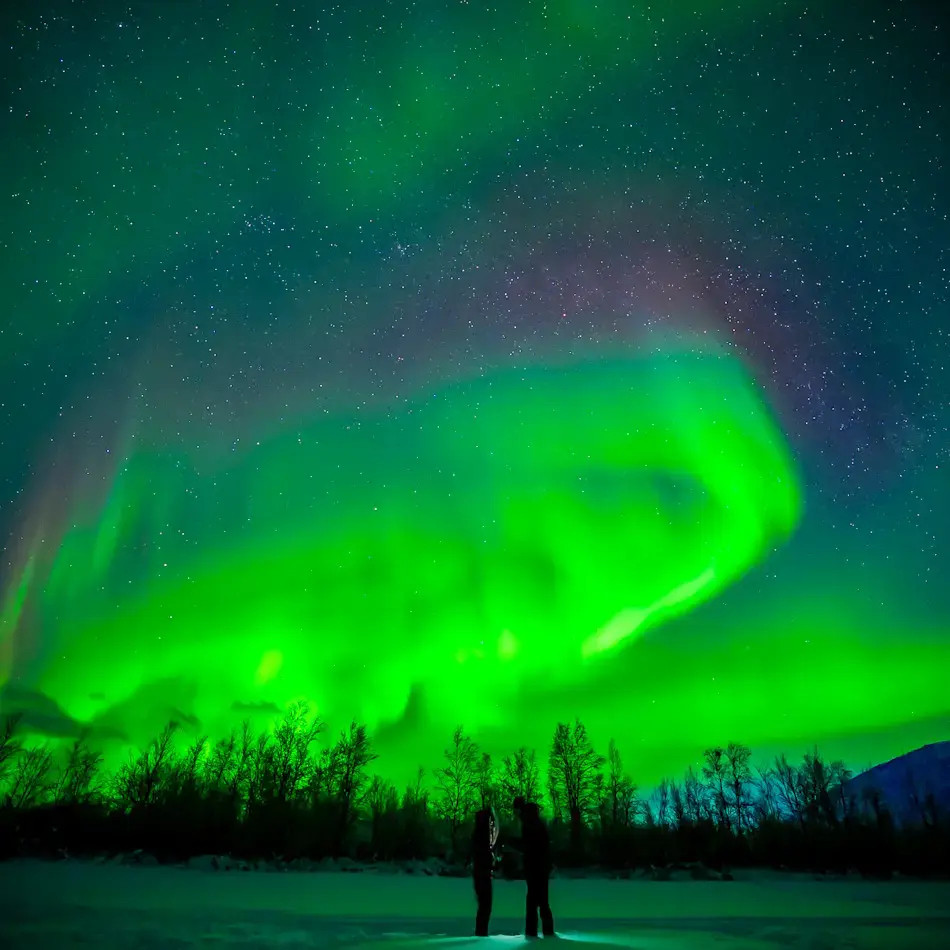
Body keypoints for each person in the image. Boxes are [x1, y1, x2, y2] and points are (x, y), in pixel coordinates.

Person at [512, 796, 555, 937]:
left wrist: (512, 844)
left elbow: (529, 846)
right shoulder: (534, 821)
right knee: (541, 901)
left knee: (534, 902)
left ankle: (532, 933)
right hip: (539, 867)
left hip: (536, 868)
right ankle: (545, 932)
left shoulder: (530, 823)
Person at [471, 806, 499, 936]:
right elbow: (482, 856)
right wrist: (492, 863)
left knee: (484, 906)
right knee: (485, 906)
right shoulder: (482, 836)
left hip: (481, 874)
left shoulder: (480, 835)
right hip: (483, 875)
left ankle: (481, 932)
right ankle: (481, 933)